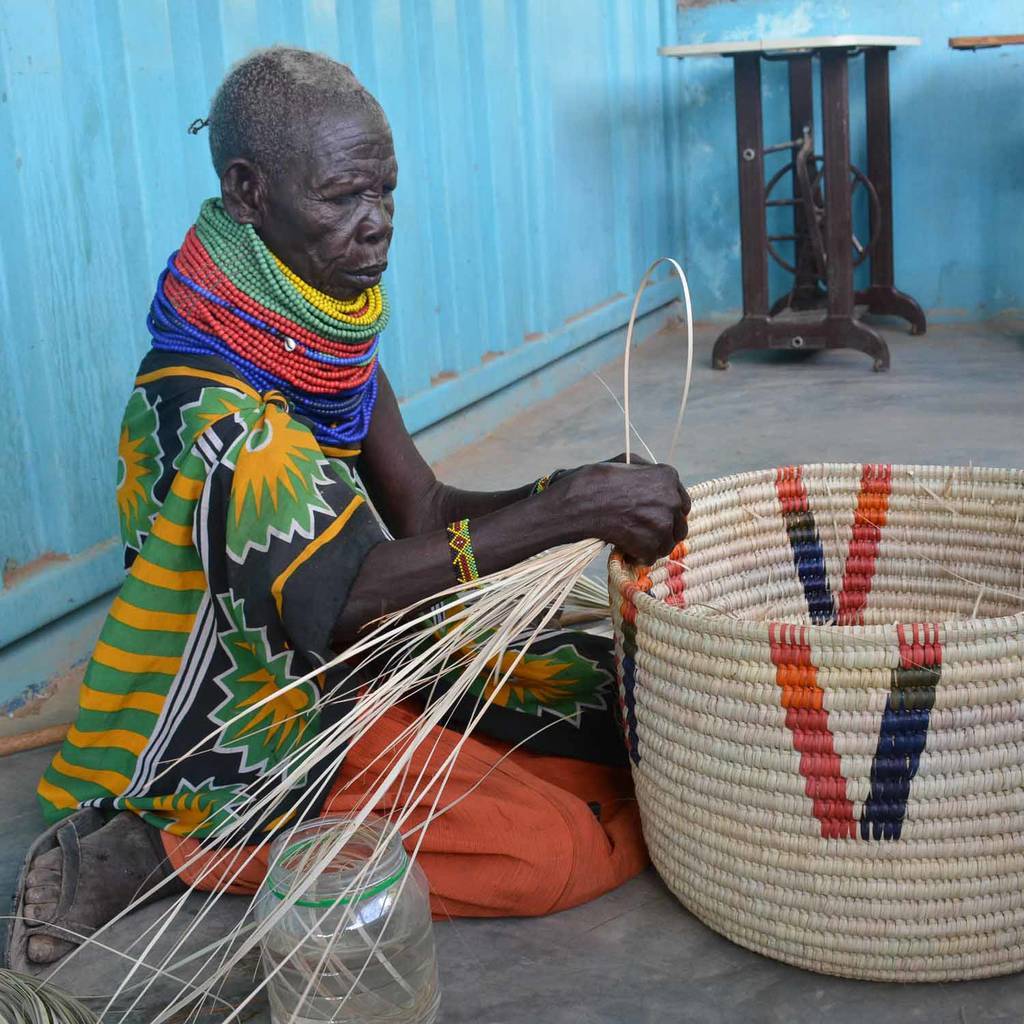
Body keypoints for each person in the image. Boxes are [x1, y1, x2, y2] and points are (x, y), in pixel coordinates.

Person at [8, 47, 688, 973]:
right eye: (342, 199)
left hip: (354, 648)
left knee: (612, 705)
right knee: (554, 854)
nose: (377, 227)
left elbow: (425, 509)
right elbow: (348, 592)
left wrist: (568, 491)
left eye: (387, 194)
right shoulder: (218, 407)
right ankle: (180, 845)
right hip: (252, 703)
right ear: (249, 190)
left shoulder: (317, 329)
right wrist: (569, 509)